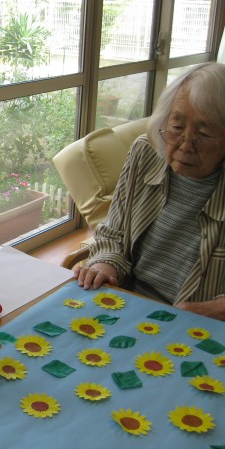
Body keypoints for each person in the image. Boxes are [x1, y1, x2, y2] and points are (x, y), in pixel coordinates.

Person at [74, 62, 225, 321]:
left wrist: (209, 311)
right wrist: (105, 264)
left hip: (199, 324)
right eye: (176, 126)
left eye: (204, 132)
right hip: (128, 301)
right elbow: (113, 232)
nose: (186, 145)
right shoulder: (145, 152)